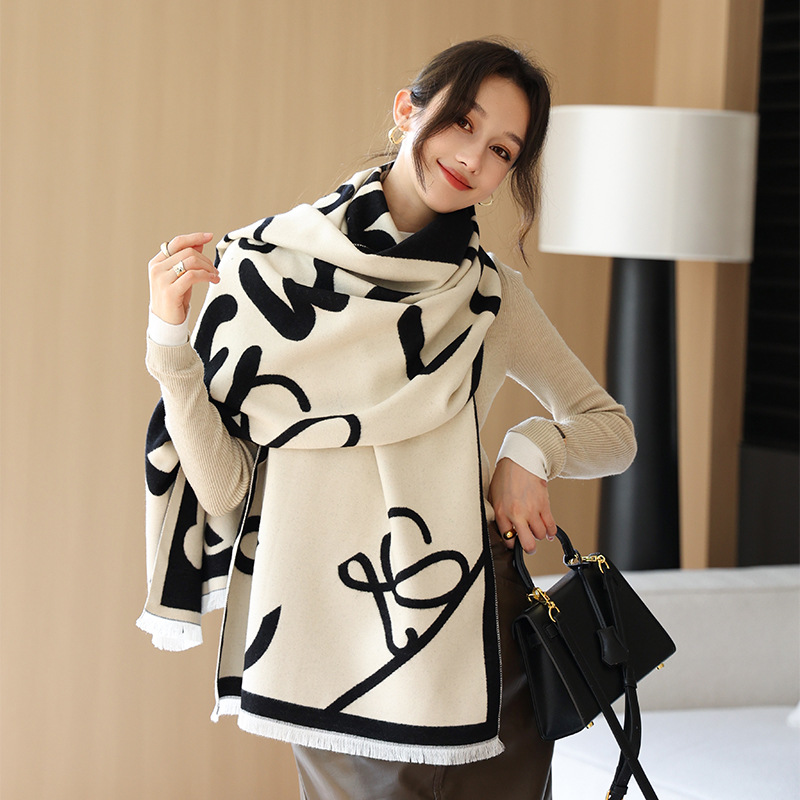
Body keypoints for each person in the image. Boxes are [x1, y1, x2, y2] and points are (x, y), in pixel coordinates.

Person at [139, 38, 636, 800]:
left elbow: (611, 430)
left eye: (501, 150)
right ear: (408, 110)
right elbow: (229, 491)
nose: (473, 157)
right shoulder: (266, 268)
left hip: (479, 641)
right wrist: (171, 347)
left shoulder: (490, 297)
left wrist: (532, 446)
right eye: (463, 122)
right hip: (329, 652)